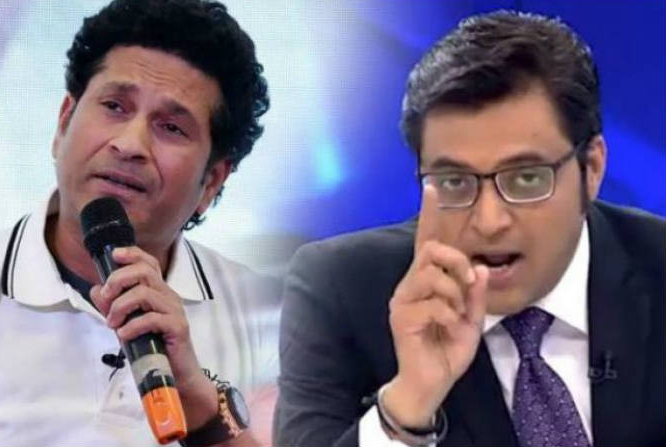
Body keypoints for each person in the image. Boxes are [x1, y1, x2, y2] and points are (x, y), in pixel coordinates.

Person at [275, 10, 665, 447]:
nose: (489, 221)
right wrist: (408, 405)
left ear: (591, 168)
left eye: (526, 178)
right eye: (454, 181)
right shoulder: (340, 290)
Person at [0, 0, 278, 445]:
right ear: (64, 122)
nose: (130, 144)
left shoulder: (266, 319)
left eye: (171, 128)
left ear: (211, 182)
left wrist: (204, 409)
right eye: (114, 106)